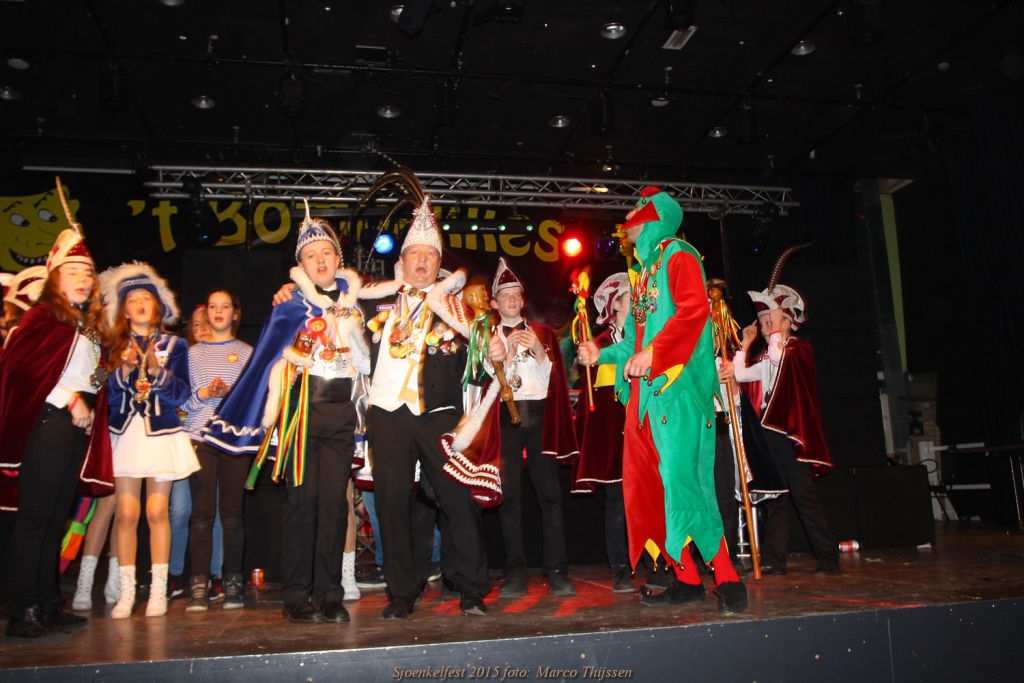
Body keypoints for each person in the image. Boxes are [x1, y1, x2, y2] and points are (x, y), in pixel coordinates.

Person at [577, 187, 747, 614]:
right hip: (648, 399)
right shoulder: (644, 272)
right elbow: (635, 342)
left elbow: (693, 312)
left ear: (653, 216)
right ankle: (687, 578)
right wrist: (602, 353)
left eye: (634, 210)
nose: (626, 219)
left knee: (684, 483)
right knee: (656, 487)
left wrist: (655, 353)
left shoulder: (679, 254)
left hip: (679, 390)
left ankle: (729, 579)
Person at [206, 204, 368, 624]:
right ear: (301, 265)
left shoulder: (355, 304)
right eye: (311, 255)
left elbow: (366, 361)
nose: (320, 260)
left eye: (326, 252)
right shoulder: (289, 305)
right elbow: (267, 359)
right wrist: (293, 361)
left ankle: (330, 593)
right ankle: (296, 594)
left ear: (338, 259)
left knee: (334, 506)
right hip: (302, 411)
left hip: (341, 412)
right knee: (301, 502)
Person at [357, 197, 494, 620]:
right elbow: (330, 306)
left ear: (439, 263)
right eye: (414, 254)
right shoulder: (374, 302)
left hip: (438, 413)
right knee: (391, 503)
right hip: (387, 412)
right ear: (401, 262)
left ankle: (471, 587)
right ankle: (401, 592)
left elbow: (486, 359)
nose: (421, 261)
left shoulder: (456, 308)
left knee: (458, 496)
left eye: (430, 255)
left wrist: (493, 346)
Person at [0, 216, 113, 638]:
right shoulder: (42, 317)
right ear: (54, 278)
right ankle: (22, 610)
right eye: (73, 272)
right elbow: (20, 370)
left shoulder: (84, 325)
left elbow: (90, 375)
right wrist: (70, 399)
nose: (83, 280)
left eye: (87, 273)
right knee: (34, 520)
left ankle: (47, 603)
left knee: (54, 519)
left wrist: (104, 380)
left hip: (72, 429)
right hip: (47, 424)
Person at [103, 263, 199, 618]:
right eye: (134, 300)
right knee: (127, 513)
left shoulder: (175, 344)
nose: (141, 304)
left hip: (161, 433)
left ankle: (159, 589)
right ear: (124, 309)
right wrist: (125, 370)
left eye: (147, 298)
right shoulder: (113, 344)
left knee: (158, 511)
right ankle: (127, 591)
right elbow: (106, 395)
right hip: (125, 434)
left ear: (157, 306)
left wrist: (158, 372)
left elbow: (183, 394)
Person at [486, 257, 578, 598]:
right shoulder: (487, 337)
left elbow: (553, 382)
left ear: (523, 299)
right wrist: (506, 357)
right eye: (505, 295)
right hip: (505, 418)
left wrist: (539, 351)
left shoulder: (542, 332)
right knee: (509, 496)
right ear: (494, 303)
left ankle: (557, 570)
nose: (512, 300)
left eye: (516, 294)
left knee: (550, 494)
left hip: (539, 416)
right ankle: (514, 573)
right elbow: (489, 386)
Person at [733, 284, 839, 576]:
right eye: (764, 324)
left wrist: (776, 326)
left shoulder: (798, 350)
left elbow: (780, 358)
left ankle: (828, 556)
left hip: (789, 434)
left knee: (803, 496)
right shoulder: (767, 356)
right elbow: (740, 375)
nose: (767, 328)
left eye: (772, 322)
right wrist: (745, 344)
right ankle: (773, 559)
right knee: (776, 497)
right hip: (769, 435)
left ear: (787, 323)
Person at [181, 290, 252, 611]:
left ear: (236, 314)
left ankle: (233, 582)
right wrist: (206, 393)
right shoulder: (191, 354)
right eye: (213, 306)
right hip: (200, 437)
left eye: (225, 306)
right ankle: (199, 584)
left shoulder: (249, 354)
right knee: (201, 515)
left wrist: (230, 394)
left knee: (233, 514)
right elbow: (182, 402)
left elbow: (255, 400)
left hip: (235, 439)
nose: (218, 311)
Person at [571, 272, 634, 593]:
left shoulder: (650, 338)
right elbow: (598, 399)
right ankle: (620, 566)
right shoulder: (599, 345)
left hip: (649, 433)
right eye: (630, 295)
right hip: (616, 437)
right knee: (617, 503)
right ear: (616, 304)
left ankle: (658, 563)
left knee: (654, 499)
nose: (638, 300)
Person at [167, 304, 224, 601]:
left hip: (211, 442)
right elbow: (175, 398)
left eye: (206, 323)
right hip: (181, 441)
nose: (201, 328)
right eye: (196, 324)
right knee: (179, 511)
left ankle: (215, 574)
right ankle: (174, 574)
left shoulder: (226, 356)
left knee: (213, 511)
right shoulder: (183, 357)